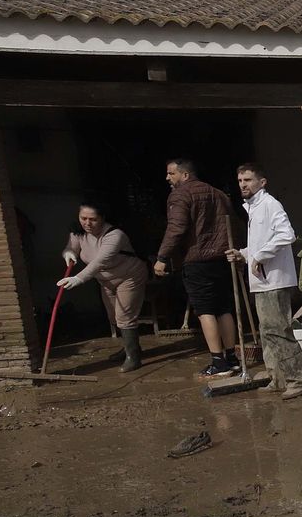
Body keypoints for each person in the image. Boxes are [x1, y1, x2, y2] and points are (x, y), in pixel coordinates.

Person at [227, 163, 302, 399]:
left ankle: (299, 379)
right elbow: (261, 243)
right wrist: (244, 254)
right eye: (240, 181)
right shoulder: (253, 209)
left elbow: (287, 234)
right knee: (267, 332)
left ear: (262, 182)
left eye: (248, 180)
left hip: (274, 280)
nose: (243, 184)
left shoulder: (270, 204)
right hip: (262, 280)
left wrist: (260, 257)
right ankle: (278, 378)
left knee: (278, 331)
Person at [155, 158, 239, 378]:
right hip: (222, 257)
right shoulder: (219, 194)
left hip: (197, 259)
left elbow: (177, 227)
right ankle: (232, 358)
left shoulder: (181, 194)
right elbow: (233, 224)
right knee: (223, 308)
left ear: (184, 175)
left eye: (170, 174)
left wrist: (162, 257)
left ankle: (218, 362)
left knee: (205, 311)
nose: (167, 178)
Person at [58, 203, 149, 372]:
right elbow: (72, 247)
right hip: (105, 280)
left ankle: (133, 357)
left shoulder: (115, 235)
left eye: (92, 219)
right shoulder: (78, 232)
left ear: (102, 218)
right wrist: (68, 253)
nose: (87, 223)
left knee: (125, 316)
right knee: (113, 316)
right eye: (83, 218)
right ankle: (129, 347)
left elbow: (101, 261)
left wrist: (79, 278)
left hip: (129, 276)